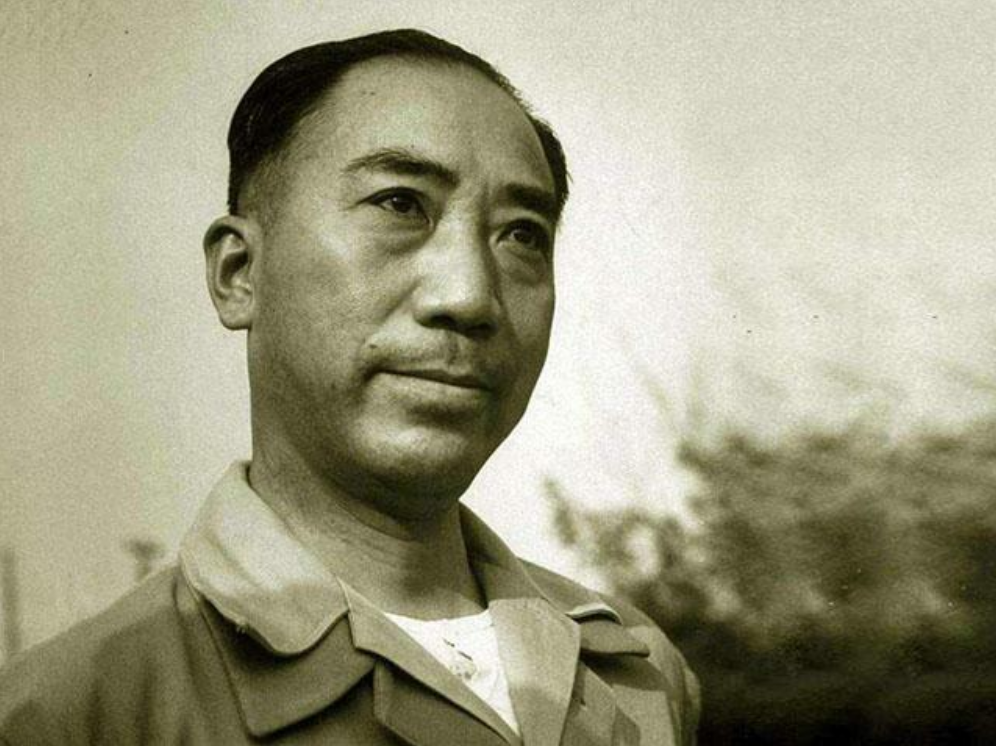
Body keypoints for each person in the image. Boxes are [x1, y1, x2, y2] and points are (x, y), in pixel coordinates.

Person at [0, 29, 699, 745]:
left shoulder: (636, 673)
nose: (469, 296)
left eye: (521, 235)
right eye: (400, 204)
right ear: (239, 274)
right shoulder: (75, 714)